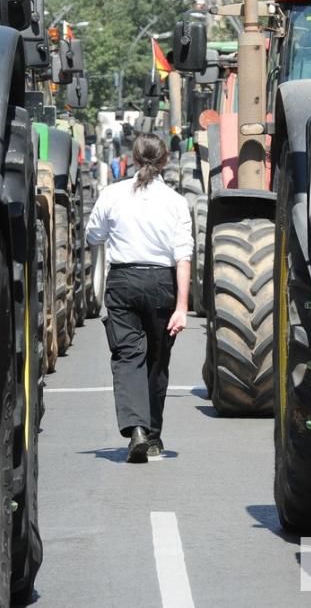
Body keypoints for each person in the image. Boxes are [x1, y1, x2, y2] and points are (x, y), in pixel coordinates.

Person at [85, 133, 193, 463]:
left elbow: (93, 235)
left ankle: (137, 429)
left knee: (128, 356)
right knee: (157, 362)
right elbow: (183, 257)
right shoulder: (175, 202)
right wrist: (182, 307)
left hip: (123, 282)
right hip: (162, 283)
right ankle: (153, 435)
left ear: (133, 158)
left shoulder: (113, 194)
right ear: (164, 162)